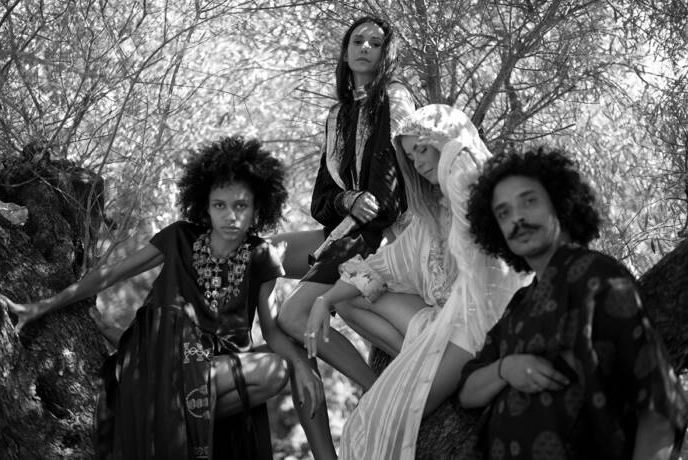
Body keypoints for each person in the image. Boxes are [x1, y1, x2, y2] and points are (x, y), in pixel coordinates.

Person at [0, 136, 323, 460]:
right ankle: (175, 415)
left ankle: (171, 417)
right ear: (205, 206)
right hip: (164, 354)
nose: (230, 216)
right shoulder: (179, 236)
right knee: (200, 363)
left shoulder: (263, 257)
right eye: (219, 205)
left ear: (257, 208)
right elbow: (111, 274)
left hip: (212, 371)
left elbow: (271, 332)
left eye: (241, 206)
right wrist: (43, 305)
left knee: (277, 370)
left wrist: (301, 366)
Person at [304, 104, 526, 460]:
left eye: (423, 149)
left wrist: (456, 155)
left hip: (477, 332)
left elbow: (468, 178)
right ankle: (414, 361)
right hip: (440, 324)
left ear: (447, 142)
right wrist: (323, 300)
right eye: (410, 156)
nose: (418, 162)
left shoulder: (478, 196)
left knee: (381, 421)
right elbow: (382, 267)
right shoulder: (429, 214)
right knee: (347, 297)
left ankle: (426, 371)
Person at [456, 148, 688, 459]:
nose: (517, 219)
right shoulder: (519, 304)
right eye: (503, 213)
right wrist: (505, 368)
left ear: (560, 203)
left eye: (529, 201)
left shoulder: (598, 278)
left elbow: (660, 408)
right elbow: (467, 391)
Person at [273, 15, 415, 459]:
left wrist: (357, 206)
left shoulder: (394, 99)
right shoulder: (339, 115)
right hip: (346, 227)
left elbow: (388, 198)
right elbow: (322, 201)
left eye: (376, 42)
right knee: (262, 255)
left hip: (384, 234)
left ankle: (378, 390)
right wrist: (347, 199)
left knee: (294, 315)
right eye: (358, 40)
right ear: (346, 50)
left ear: (386, 54)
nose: (365, 47)